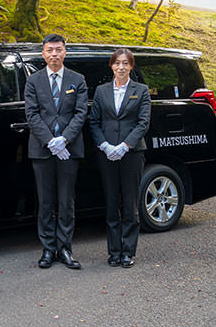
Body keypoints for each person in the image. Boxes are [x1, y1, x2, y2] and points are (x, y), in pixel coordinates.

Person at [24, 34, 88, 269]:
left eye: (58, 50)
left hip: (69, 150)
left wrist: (65, 140)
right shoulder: (33, 81)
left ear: (65, 52)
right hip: (42, 150)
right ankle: (48, 249)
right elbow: (32, 114)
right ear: (43, 53)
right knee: (46, 202)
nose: (54, 54)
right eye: (49, 50)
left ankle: (65, 249)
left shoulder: (77, 79)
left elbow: (81, 113)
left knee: (66, 202)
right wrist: (51, 141)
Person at [89, 48, 151, 268]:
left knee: (130, 203)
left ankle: (128, 251)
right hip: (106, 153)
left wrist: (125, 146)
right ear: (111, 66)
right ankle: (114, 251)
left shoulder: (141, 90)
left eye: (125, 63)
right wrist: (104, 145)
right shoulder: (101, 91)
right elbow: (94, 121)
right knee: (111, 202)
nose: (121, 67)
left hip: (131, 154)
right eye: (117, 63)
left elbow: (143, 123)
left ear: (131, 66)